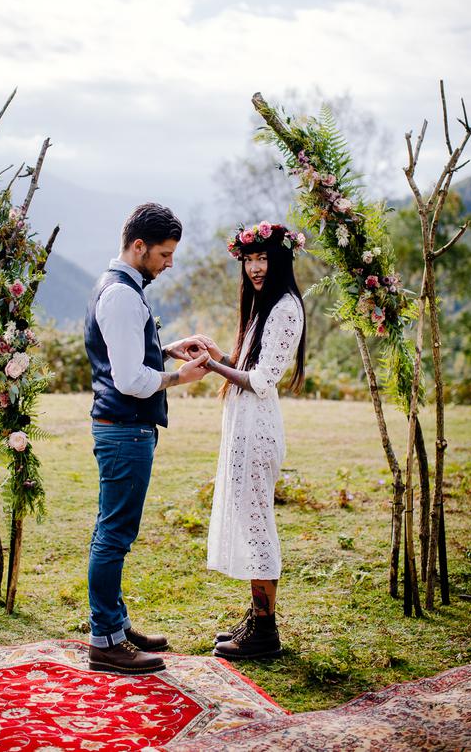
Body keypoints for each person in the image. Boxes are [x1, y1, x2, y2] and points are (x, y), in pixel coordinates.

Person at [84, 202, 209, 675]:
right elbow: (130, 380)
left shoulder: (124, 289)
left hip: (124, 430)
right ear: (138, 247)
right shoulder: (120, 295)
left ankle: (115, 624)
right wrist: (179, 377)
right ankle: (105, 641)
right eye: (164, 253)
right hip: (124, 430)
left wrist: (164, 346)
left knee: (113, 530)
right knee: (114, 535)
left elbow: (132, 352)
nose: (169, 263)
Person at [192, 221, 306, 661]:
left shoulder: (286, 308)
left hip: (258, 427)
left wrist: (214, 367)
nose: (256, 268)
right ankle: (257, 620)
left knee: (258, 525)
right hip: (244, 424)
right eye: (250, 260)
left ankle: (266, 633)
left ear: (280, 260)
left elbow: (260, 380)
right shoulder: (265, 304)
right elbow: (246, 365)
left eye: (263, 259)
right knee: (248, 518)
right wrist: (217, 353)